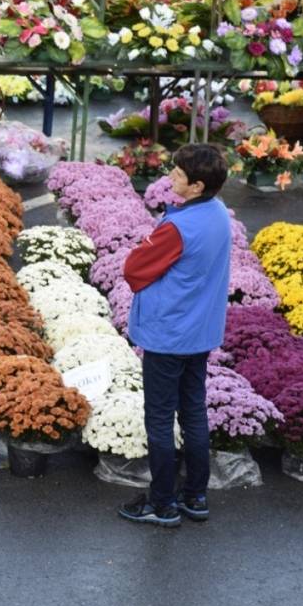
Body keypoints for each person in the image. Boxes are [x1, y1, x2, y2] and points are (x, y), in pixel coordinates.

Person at [117, 144, 232, 528]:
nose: (170, 177)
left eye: (178, 174)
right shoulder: (217, 213)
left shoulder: (178, 227)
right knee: (195, 411)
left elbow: (134, 269)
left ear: (197, 185)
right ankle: (195, 494)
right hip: (200, 332)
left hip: (168, 334)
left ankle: (162, 502)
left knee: (161, 418)